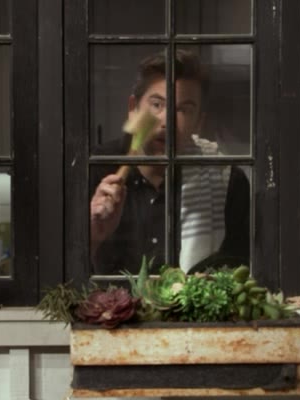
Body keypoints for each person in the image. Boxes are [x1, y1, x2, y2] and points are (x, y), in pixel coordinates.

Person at [90, 50, 251, 275]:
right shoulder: (94, 168)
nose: (168, 121)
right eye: (157, 105)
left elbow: (239, 274)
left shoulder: (228, 182)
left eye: (184, 110)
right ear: (133, 108)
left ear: (198, 122)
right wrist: (93, 235)